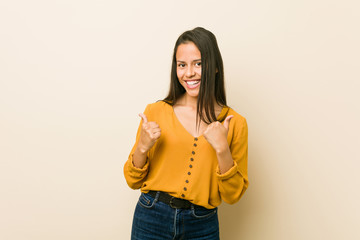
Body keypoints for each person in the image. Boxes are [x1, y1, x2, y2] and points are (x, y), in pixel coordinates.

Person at [124, 27, 248, 240]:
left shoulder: (235, 123)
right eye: (182, 65)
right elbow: (132, 180)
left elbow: (233, 195)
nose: (189, 73)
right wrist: (142, 147)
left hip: (202, 225)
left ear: (215, 67)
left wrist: (222, 149)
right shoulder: (155, 112)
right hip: (150, 218)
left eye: (198, 64)